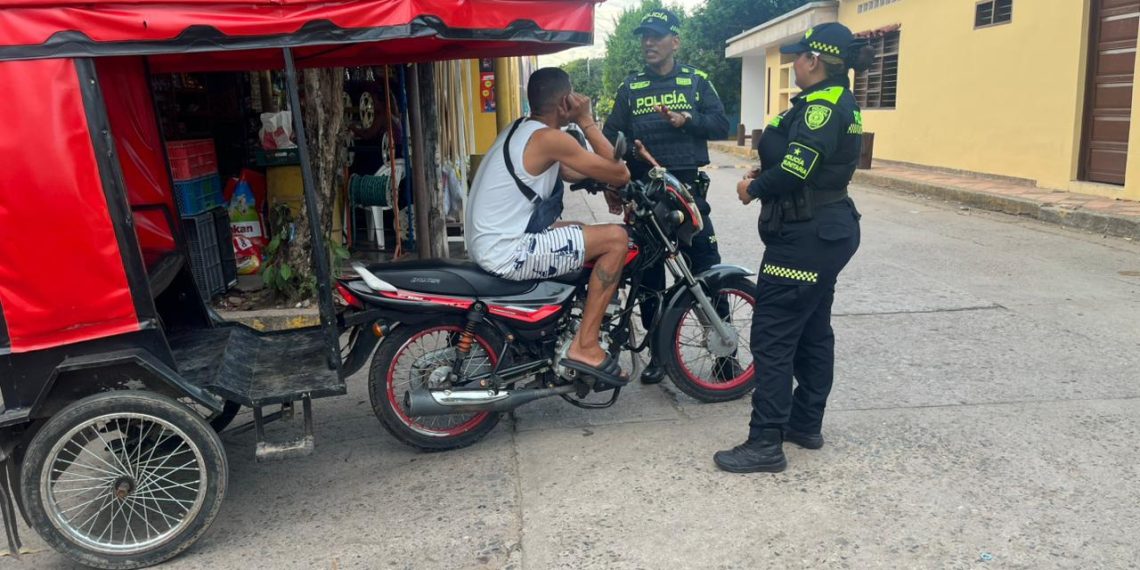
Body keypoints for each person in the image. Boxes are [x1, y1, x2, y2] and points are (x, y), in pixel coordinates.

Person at [713, 23, 872, 473]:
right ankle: (804, 423)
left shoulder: (823, 107)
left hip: (806, 236)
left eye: (799, 57)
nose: (794, 63)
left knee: (774, 332)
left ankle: (765, 442)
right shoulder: (833, 99)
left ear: (815, 61)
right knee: (812, 328)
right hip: (822, 232)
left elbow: (797, 168)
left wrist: (753, 188)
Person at [465, 68, 632, 380]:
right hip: (507, 250)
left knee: (576, 228)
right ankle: (585, 345)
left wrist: (600, 176)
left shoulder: (522, 129)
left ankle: (563, 323)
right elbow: (620, 173)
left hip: (490, 242)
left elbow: (573, 171)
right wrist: (586, 120)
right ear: (564, 101)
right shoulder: (550, 138)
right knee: (615, 239)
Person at [602, 8, 733, 384]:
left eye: (656, 36)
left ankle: (725, 353)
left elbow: (721, 125)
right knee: (648, 279)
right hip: (645, 199)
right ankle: (660, 355)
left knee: (706, 268)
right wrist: (614, 180)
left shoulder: (696, 81)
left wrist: (686, 119)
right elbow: (613, 138)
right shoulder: (631, 88)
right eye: (644, 36)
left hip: (687, 193)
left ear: (675, 41)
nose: (648, 43)